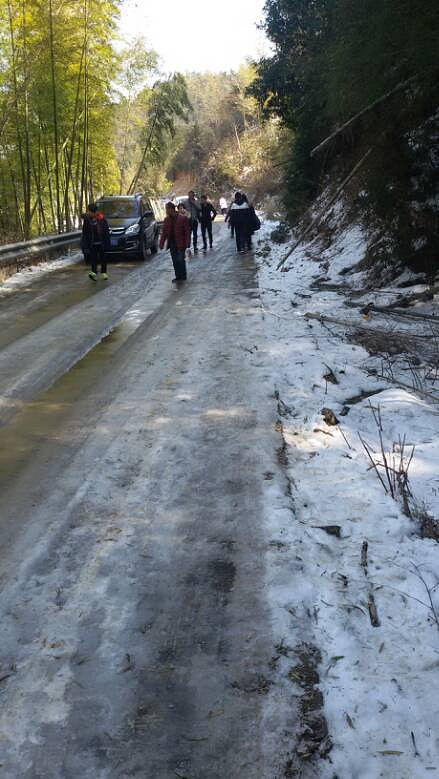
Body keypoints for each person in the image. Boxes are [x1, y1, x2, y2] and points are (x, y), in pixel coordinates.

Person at [159, 201, 190, 284]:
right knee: (175, 260)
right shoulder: (166, 220)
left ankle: (183, 276)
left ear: (171, 209)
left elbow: (187, 232)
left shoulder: (183, 218)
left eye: (167, 209)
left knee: (180, 259)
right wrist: (161, 243)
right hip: (172, 243)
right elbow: (164, 233)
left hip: (181, 243)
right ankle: (178, 276)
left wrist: (187, 244)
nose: (166, 211)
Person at [81, 203, 111, 280]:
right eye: (88, 211)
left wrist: (108, 243)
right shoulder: (87, 220)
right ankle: (93, 273)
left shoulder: (102, 219)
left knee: (103, 258)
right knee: (93, 259)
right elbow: (85, 233)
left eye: (90, 211)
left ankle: (104, 273)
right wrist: (84, 245)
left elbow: (106, 232)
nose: (89, 213)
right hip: (92, 243)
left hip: (102, 243)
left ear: (95, 211)